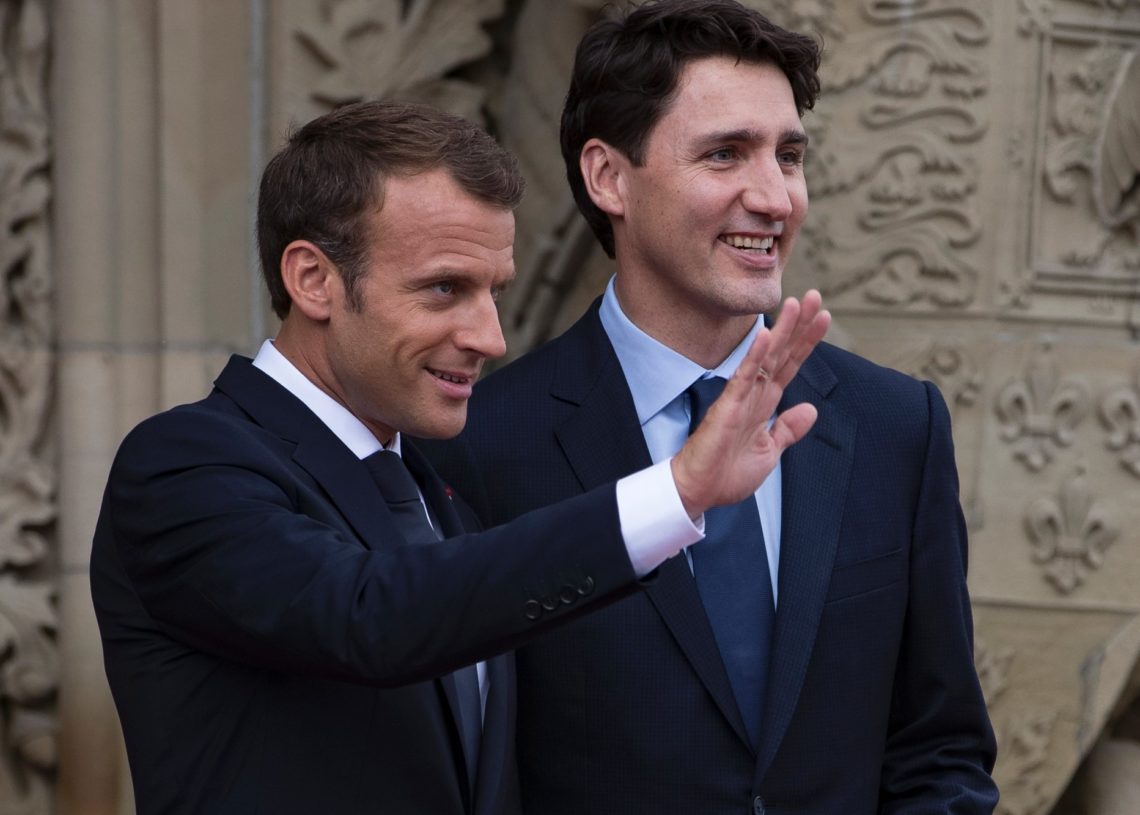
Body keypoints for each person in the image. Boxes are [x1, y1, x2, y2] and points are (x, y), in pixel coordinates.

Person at [90, 99, 829, 815]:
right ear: (312, 279)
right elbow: (368, 614)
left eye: (493, 293)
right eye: (445, 289)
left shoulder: (438, 491)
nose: (490, 337)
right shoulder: (182, 465)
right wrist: (676, 492)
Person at [420, 2, 999, 813]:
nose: (774, 197)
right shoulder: (482, 442)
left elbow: (940, 751)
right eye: (725, 154)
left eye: (788, 156)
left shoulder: (897, 424)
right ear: (608, 177)